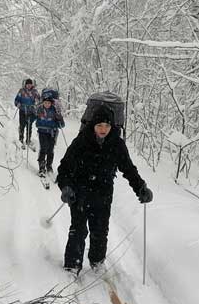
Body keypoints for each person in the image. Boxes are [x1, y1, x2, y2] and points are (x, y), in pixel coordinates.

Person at [56, 105, 153, 273]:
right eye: (99, 125)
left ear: (112, 127)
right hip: (80, 193)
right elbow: (64, 168)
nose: (103, 129)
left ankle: (97, 261)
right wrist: (66, 187)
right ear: (93, 125)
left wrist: (141, 187)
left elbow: (128, 168)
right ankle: (72, 264)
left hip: (103, 194)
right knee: (78, 230)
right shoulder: (81, 141)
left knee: (100, 231)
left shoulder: (117, 144)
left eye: (107, 126)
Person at [34, 94, 65, 176]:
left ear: (51, 103)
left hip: (52, 133)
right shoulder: (39, 110)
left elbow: (62, 125)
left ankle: (49, 166)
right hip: (42, 132)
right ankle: (41, 166)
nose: (47, 104)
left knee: (50, 150)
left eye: (48, 103)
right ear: (43, 103)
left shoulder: (55, 111)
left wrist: (59, 118)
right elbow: (35, 119)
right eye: (45, 103)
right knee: (43, 148)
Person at [14, 78, 40, 148]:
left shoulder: (35, 91)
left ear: (32, 85)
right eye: (27, 84)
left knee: (29, 126)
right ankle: (21, 140)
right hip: (22, 110)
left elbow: (39, 100)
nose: (29, 86)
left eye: (30, 84)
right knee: (22, 126)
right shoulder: (21, 91)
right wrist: (17, 104)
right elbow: (16, 100)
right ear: (25, 85)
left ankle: (28, 140)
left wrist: (37, 103)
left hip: (31, 111)